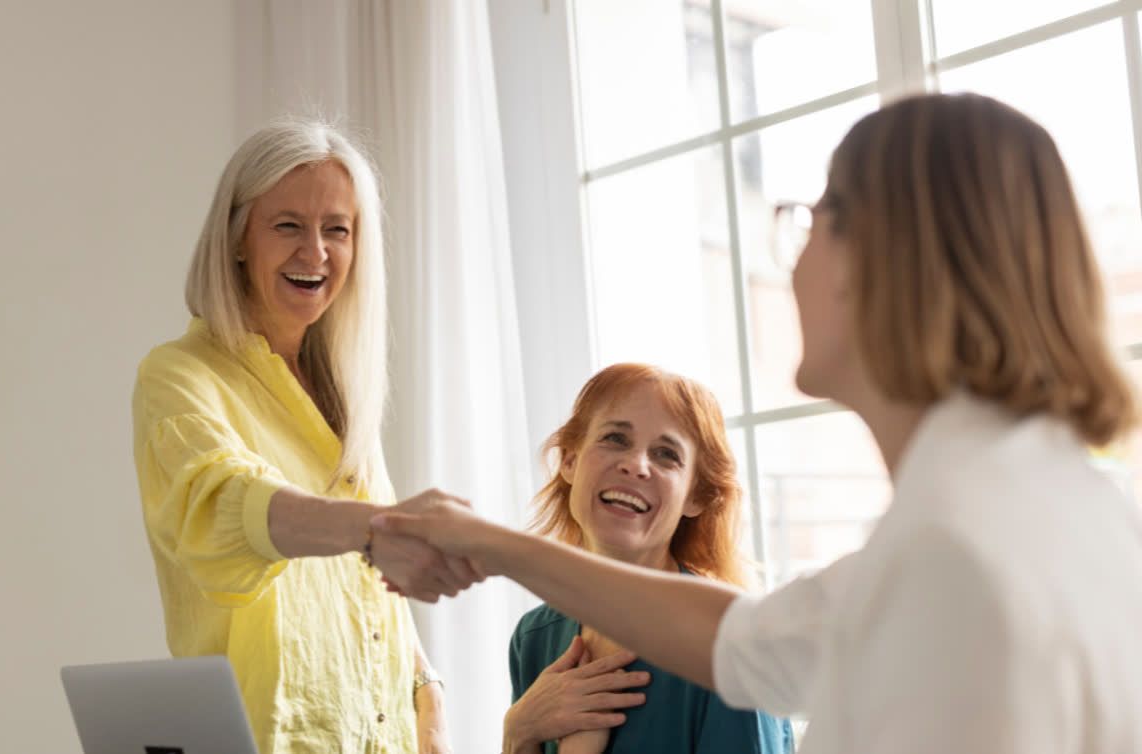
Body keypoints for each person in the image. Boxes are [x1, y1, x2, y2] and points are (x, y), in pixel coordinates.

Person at [373, 93, 1142, 753]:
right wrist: (489, 546)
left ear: (885, 262)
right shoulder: (1021, 511)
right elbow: (746, 641)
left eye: (816, 217)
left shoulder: (954, 553)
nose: (794, 260)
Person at [132, 118, 479, 754]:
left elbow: (381, 590)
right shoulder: (180, 376)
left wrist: (429, 694)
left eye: (336, 230)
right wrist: (379, 526)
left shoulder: (343, 396)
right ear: (237, 238)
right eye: (287, 225)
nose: (315, 253)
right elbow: (226, 506)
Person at [502, 364, 792, 754]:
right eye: (615, 439)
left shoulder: (730, 645)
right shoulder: (533, 637)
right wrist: (518, 733)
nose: (636, 465)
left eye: (666, 455)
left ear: (696, 497)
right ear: (569, 460)